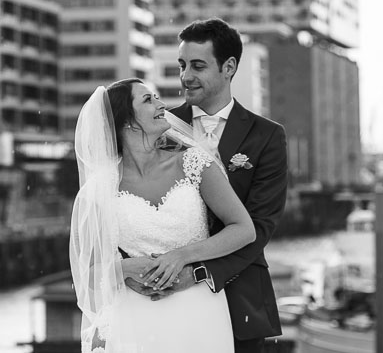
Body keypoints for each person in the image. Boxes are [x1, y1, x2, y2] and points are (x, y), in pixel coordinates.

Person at [127, 18, 289, 353]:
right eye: (182, 65)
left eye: (198, 66)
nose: (186, 76)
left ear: (229, 67)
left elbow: (259, 226)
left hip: (241, 299)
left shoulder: (267, 136)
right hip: (162, 300)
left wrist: (197, 274)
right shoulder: (159, 125)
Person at [70, 78, 256, 353]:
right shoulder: (98, 190)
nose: (161, 105)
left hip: (200, 310)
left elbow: (243, 229)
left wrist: (181, 257)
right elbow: (86, 274)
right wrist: (127, 268)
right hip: (134, 316)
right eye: (148, 100)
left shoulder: (194, 163)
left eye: (157, 97)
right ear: (127, 121)